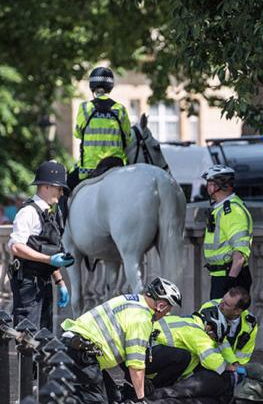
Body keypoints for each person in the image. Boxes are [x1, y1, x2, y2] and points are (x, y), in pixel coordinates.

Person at [60, 277, 182, 404]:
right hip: (82, 354)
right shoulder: (142, 319)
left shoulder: (133, 300)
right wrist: (141, 399)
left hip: (78, 347)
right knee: (95, 401)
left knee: (114, 398)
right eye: (168, 310)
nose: (167, 314)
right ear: (161, 306)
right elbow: (136, 365)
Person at [7, 161, 73, 331]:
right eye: (59, 188)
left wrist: (60, 281)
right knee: (27, 336)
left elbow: (47, 247)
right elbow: (15, 246)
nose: (61, 193)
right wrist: (49, 259)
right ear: (46, 186)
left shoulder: (50, 213)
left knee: (45, 334)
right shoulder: (28, 212)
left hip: (43, 281)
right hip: (28, 283)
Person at [200, 287, 263, 403]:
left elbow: (244, 354)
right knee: (248, 387)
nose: (221, 304)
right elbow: (205, 347)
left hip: (235, 365)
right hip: (211, 364)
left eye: (226, 304)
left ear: (237, 311)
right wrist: (230, 369)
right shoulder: (209, 310)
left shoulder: (250, 323)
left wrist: (237, 367)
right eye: (223, 300)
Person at [144, 306, 236, 404]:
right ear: (209, 328)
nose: (212, 340)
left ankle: (149, 392)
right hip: (145, 355)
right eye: (213, 337)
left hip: (144, 355)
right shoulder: (196, 330)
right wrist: (230, 368)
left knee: (184, 358)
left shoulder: (185, 321)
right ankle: (152, 394)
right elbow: (212, 360)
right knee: (183, 357)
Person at [68, 66, 131, 192]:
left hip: (89, 169)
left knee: (65, 188)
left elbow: (77, 133)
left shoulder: (85, 108)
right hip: (117, 167)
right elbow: (128, 138)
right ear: (110, 87)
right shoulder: (120, 109)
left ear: (92, 87)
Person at [201, 164, 254, 299]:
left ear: (216, 186)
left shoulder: (232, 211)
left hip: (229, 277)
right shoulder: (221, 208)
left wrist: (230, 281)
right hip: (221, 275)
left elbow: (240, 253)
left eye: (209, 184)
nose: (207, 188)